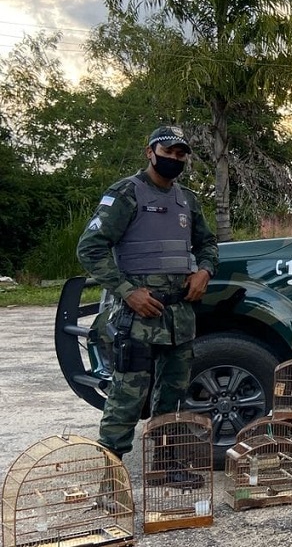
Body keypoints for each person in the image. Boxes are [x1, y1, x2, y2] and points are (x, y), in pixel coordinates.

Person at [77, 124, 218, 484]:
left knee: (172, 397)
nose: (174, 159)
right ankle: (110, 479)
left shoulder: (187, 199)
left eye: (180, 154)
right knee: (126, 398)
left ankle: (165, 466)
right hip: (138, 317)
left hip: (178, 317)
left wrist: (204, 271)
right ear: (150, 151)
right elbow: (90, 248)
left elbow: (207, 243)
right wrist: (126, 290)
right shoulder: (126, 193)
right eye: (168, 151)